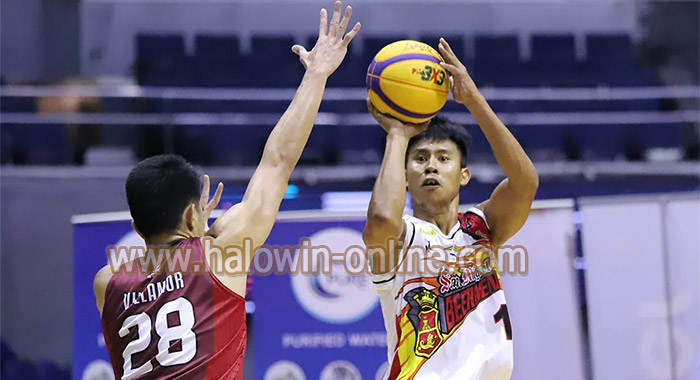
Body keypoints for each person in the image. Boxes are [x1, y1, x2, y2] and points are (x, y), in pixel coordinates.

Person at [92, 2, 361, 379]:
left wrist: (197, 229)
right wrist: (317, 74)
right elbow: (278, 161)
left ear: (136, 227)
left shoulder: (107, 281)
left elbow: (167, 274)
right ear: (190, 214)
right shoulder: (222, 255)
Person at [363, 38, 539, 380]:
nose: (431, 167)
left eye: (443, 159)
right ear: (404, 176)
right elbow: (383, 219)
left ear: (464, 176)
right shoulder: (402, 240)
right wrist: (397, 135)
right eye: (420, 159)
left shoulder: (482, 227)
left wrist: (474, 100)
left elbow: (525, 183)